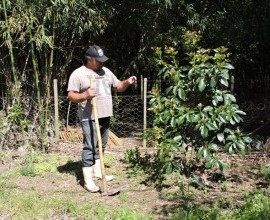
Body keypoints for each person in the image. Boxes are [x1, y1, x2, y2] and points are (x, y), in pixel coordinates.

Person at [67, 45, 137, 192]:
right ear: (89, 60)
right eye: (98, 60)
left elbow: (118, 86)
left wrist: (127, 82)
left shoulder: (106, 71)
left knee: (101, 146)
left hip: (105, 114)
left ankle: (99, 172)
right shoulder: (78, 74)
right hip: (89, 116)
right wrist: (84, 95)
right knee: (90, 146)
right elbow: (71, 95)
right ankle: (88, 181)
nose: (101, 63)